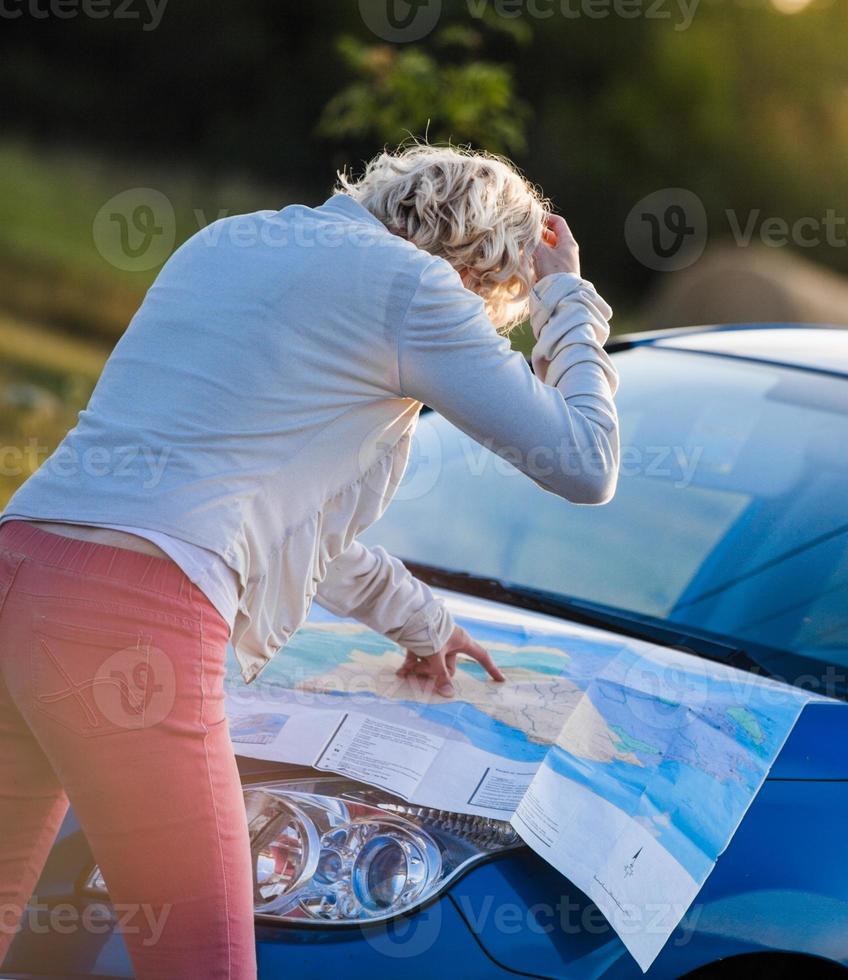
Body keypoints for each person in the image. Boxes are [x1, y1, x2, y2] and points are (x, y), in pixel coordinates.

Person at [0, 144, 620, 979]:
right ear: (481, 268)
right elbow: (585, 463)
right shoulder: (417, 290)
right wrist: (564, 300)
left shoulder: (231, 239)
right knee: (205, 963)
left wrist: (424, 623)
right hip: (132, 626)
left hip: (19, 564)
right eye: (495, 304)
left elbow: (281, 525)